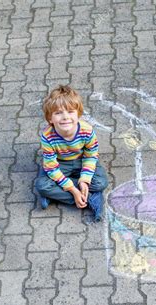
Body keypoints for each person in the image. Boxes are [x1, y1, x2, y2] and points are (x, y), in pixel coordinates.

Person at [35, 85, 108, 222]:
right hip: (60, 163)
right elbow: (51, 167)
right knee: (42, 185)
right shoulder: (47, 136)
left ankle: (54, 195)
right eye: (58, 113)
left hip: (82, 160)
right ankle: (90, 198)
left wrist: (84, 181)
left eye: (70, 112)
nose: (65, 117)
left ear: (78, 114)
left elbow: (91, 155)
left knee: (100, 182)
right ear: (50, 118)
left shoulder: (87, 130)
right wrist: (74, 190)